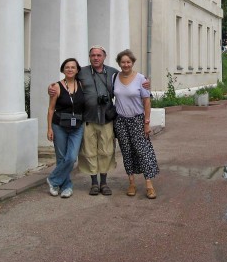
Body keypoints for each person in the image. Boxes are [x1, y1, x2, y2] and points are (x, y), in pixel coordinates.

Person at [48, 45, 149, 196]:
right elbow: (67, 79)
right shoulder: (82, 72)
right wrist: (51, 87)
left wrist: (146, 82)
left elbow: (129, 76)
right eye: (93, 55)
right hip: (87, 119)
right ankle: (94, 183)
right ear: (89, 57)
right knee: (89, 152)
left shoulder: (114, 73)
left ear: (104, 57)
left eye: (99, 55)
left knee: (106, 151)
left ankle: (104, 182)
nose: (96, 58)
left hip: (107, 119)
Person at [113, 49, 159, 199]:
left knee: (142, 151)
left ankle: (149, 185)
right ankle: (131, 183)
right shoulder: (114, 77)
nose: (125, 64)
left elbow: (146, 102)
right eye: (123, 62)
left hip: (137, 120)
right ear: (119, 63)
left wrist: (147, 122)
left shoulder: (140, 79)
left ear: (132, 63)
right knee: (126, 151)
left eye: (128, 62)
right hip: (120, 120)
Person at [46, 58, 85, 198]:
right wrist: (49, 128)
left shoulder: (82, 85)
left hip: (77, 126)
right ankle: (66, 186)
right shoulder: (56, 87)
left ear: (77, 70)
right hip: (59, 125)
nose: (70, 69)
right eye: (67, 67)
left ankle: (53, 180)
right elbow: (51, 109)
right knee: (61, 157)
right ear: (63, 70)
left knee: (71, 157)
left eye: (73, 67)